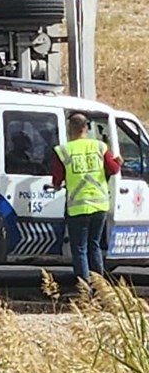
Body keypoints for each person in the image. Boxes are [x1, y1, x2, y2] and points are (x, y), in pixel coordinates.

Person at [51, 113, 122, 285]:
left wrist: (58, 185)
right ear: (87, 128)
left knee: (80, 249)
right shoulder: (100, 146)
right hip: (100, 207)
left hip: (78, 208)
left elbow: (57, 180)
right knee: (94, 246)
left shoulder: (64, 150)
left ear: (70, 128)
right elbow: (113, 169)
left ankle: (84, 288)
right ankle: (100, 287)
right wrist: (119, 162)